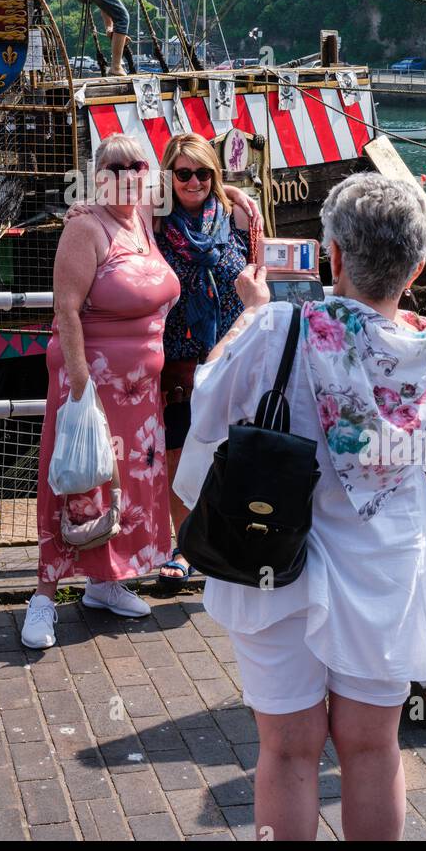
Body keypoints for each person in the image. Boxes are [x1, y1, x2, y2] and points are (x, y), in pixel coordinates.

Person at [174, 172, 426, 842]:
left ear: (332, 255)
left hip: (273, 556)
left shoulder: (281, 327)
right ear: (418, 265)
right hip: (386, 561)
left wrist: (251, 314)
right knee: (373, 750)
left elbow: (207, 408)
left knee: (287, 750)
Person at [22, 134, 181, 649]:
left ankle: (105, 582)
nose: (127, 176)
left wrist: (241, 200)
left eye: (136, 167)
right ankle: (43, 598)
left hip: (141, 393)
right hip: (92, 384)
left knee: (124, 491)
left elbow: (202, 184)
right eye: (114, 168)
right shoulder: (85, 227)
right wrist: (80, 385)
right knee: (77, 483)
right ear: (98, 175)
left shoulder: (142, 220)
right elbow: (66, 310)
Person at [154, 133, 264, 592]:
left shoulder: (239, 214)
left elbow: (262, 274)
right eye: (183, 173)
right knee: (179, 454)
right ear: (169, 176)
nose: (194, 181)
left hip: (234, 353)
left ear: (215, 174)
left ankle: (227, 541)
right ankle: (182, 546)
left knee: (233, 453)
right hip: (179, 358)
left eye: (203, 172)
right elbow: (110, 211)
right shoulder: (155, 222)